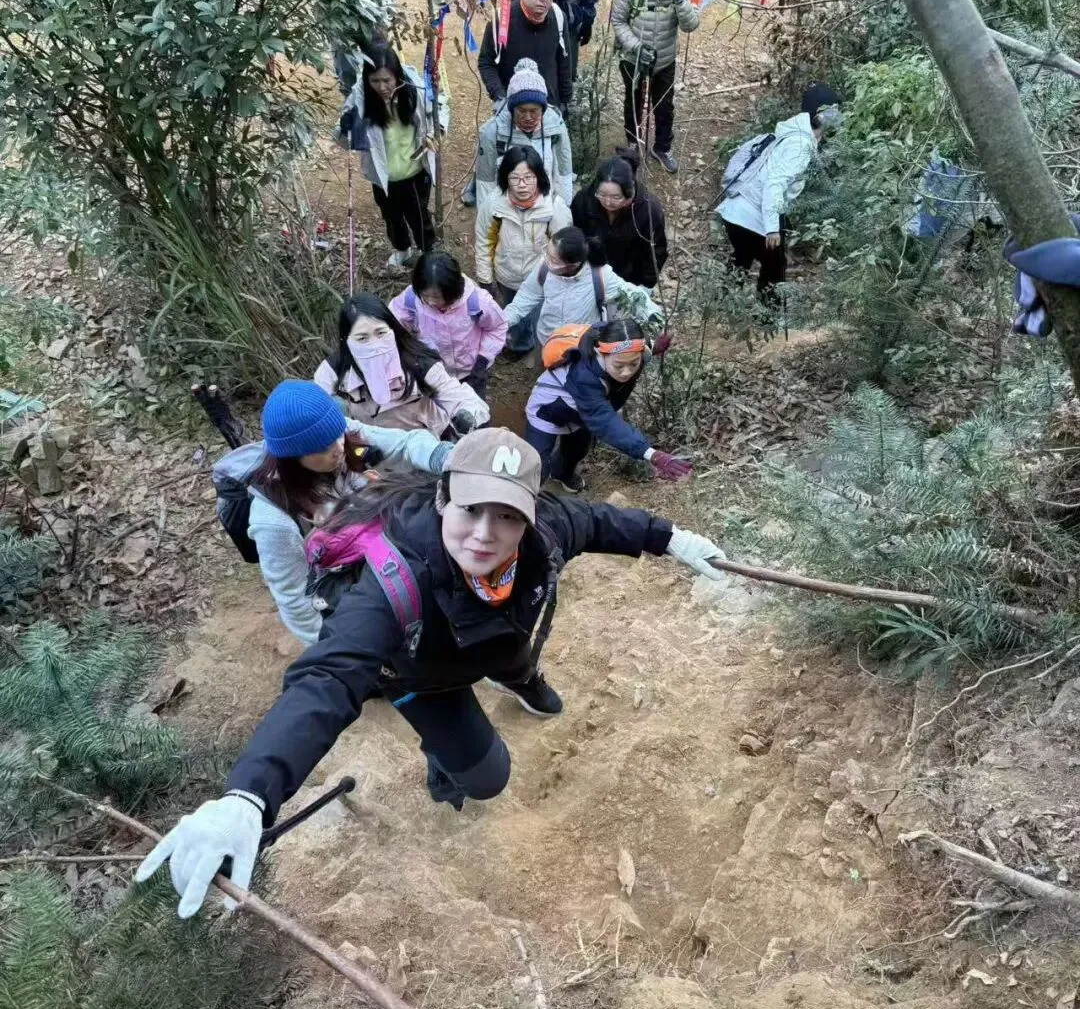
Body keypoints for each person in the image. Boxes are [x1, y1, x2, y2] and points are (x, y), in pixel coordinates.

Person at [136, 426, 729, 916]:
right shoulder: (393, 583)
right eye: (471, 509)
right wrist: (250, 794)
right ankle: (439, 748)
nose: (485, 534)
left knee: (514, 661)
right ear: (444, 498)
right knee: (488, 778)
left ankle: (521, 682)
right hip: (421, 675)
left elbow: (598, 520)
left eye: (507, 516)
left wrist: (671, 538)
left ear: (529, 517)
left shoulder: (548, 531)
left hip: (499, 646)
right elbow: (328, 678)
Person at [239, 381, 451, 644]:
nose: (338, 448)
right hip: (346, 596)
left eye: (338, 434)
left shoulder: (336, 436)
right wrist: (332, 648)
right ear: (291, 457)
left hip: (387, 562)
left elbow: (405, 444)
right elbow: (295, 600)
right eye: (322, 448)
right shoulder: (273, 522)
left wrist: (446, 457)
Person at [524, 316, 689, 489]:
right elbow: (604, 421)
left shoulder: (632, 349)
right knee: (535, 466)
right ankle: (526, 496)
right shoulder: (583, 375)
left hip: (582, 413)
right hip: (548, 410)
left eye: (634, 364)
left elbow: (641, 349)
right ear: (600, 354)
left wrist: (655, 347)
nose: (626, 372)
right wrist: (651, 454)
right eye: (619, 366)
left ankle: (561, 473)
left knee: (577, 450)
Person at [712, 83, 843, 300]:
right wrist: (772, 229)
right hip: (753, 215)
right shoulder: (799, 145)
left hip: (737, 209)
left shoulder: (793, 135)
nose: (838, 115)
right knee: (774, 270)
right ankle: (767, 316)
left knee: (742, 258)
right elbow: (775, 183)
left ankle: (720, 305)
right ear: (819, 114)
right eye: (834, 109)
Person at [314, 293, 491, 434]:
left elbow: (459, 397)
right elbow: (314, 411)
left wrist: (467, 415)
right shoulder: (334, 371)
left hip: (429, 450)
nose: (375, 345)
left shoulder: (419, 363)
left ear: (393, 330)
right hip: (372, 457)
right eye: (362, 338)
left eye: (380, 333)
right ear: (346, 341)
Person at [338, 44, 443, 271]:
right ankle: (402, 249)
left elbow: (438, 108)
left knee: (419, 216)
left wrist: (437, 131)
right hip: (382, 176)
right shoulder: (360, 100)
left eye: (387, 80)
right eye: (375, 81)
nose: (382, 87)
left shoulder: (415, 90)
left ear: (397, 75)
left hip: (414, 171)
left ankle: (427, 251)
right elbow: (345, 138)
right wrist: (347, 128)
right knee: (391, 217)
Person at [611, 0, 700, 175]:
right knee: (633, 102)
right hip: (634, 58)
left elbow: (690, 25)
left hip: (665, 59)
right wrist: (637, 47)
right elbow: (618, 21)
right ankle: (633, 143)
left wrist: (680, 0)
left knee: (664, 106)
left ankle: (662, 148)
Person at [502, 225, 662, 352]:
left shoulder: (600, 275)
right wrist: (502, 322)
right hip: (546, 341)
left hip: (580, 348)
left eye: (554, 260)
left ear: (574, 265)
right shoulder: (544, 268)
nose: (547, 261)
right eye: (547, 254)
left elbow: (633, 296)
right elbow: (525, 297)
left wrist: (657, 319)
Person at [475, 146, 572, 354]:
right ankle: (519, 345)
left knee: (539, 316)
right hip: (506, 274)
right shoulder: (493, 205)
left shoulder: (553, 206)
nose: (521, 185)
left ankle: (540, 347)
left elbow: (564, 246)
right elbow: (484, 241)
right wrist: (485, 278)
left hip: (540, 278)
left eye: (528, 177)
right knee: (514, 312)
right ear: (505, 178)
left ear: (538, 177)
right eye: (514, 178)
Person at [389, 252, 508, 397]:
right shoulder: (411, 299)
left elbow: (498, 327)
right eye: (425, 296)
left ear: (453, 290)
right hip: (432, 373)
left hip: (471, 373)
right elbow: (392, 323)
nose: (430, 302)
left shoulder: (478, 302)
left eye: (436, 297)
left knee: (474, 408)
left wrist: (482, 361)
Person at [475, 58, 574, 215]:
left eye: (534, 111)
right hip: (506, 210)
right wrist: (487, 217)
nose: (528, 117)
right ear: (511, 108)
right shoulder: (493, 132)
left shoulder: (556, 127)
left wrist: (563, 211)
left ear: (543, 109)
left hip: (544, 208)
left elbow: (563, 174)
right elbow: (485, 182)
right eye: (521, 111)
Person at [477, 0, 572, 111]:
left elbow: (564, 61)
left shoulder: (559, 16)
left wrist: (565, 101)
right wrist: (500, 97)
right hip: (512, 108)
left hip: (549, 107)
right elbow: (486, 62)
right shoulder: (501, 19)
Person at [571, 147, 667, 287]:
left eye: (616, 197)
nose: (607, 202)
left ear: (629, 192)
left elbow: (656, 252)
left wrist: (646, 285)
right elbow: (576, 235)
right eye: (602, 195)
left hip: (629, 280)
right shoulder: (584, 199)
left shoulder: (649, 210)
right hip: (592, 273)